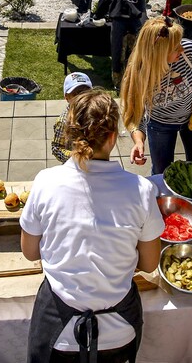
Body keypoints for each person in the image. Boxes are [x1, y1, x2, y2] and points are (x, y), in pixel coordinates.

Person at [21, 89, 162, 363]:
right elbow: (149, 263)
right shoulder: (142, 190)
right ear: (112, 138)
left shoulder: (45, 181)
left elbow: (29, 251)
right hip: (121, 332)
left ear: (72, 136)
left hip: (59, 332)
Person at [121, 16, 192, 174]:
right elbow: (135, 113)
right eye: (176, 47)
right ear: (159, 52)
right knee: (161, 172)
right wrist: (138, 141)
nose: (182, 49)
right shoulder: (139, 72)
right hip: (159, 123)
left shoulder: (190, 51)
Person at [93, 0, 148, 88]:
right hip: (135, 23)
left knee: (117, 51)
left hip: (119, 22)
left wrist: (97, 16)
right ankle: (134, 79)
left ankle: (118, 83)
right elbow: (143, 12)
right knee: (135, 52)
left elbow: (103, 4)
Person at [49, 72, 93, 163]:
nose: (81, 97)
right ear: (67, 97)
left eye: (86, 92)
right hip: (74, 167)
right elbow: (56, 148)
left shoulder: (94, 114)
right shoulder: (64, 121)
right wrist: (74, 156)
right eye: (76, 93)